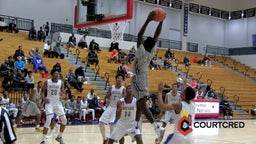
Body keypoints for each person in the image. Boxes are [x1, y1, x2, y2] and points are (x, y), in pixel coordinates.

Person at [131, 11, 165, 143]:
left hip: (138, 78)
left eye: (144, 41)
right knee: (140, 104)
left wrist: (148, 20)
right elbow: (156, 36)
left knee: (142, 105)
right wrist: (161, 21)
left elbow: (139, 35)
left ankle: (156, 127)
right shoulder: (151, 51)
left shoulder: (142, 51)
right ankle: (135, 127)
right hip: (144, 77)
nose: (143, 40)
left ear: (144, 44)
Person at [157, 79, 195, 144]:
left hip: (178, 137)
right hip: (190, 138)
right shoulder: (194, 105)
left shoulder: (178, 105)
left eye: (183, 91)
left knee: (169, 137)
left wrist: (160, 92)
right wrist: (184, 87)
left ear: (185, 95)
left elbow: (162, 106)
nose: (181, 92)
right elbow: (188, 96)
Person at [40, 69, 67, 144]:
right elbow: (42, 91)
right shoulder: (47, 82)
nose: (57, 75)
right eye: (55, 73)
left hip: (58, 103)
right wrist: (44, 98)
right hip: (49, 103)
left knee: (64, 120)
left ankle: (59, 137)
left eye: (58, 73)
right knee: (48, 120)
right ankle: (43, 140)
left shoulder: (61, 82)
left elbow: (63, 92)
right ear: (52, 75)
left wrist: (63, 94)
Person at [99, 74, 125, 144]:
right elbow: (107, 96)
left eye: (121, 78)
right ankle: (104, 139)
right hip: (110, 107)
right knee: (100, 122)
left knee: (112, 124)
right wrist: (107, 100)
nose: (119, 79)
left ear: (122, 80)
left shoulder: (123, 89)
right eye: (118, 78)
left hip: (117, 108)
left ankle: (111, 140)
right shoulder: (111, 87)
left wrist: (121, 108)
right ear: (116, 79)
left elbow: (124, 100)